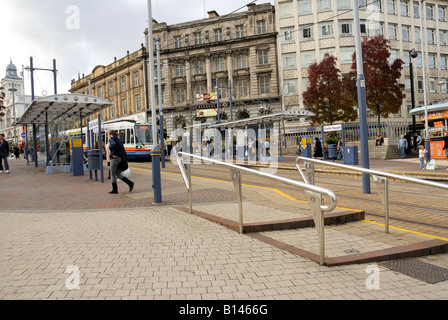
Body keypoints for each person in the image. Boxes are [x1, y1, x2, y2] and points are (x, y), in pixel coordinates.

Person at [108, 130, 135, 194]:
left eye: (108, 134)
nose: (108, 135)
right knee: (118, 174)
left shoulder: (112, 139)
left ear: (111, 134)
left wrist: (113, 154)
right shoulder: (118, 140)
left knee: (112, 174)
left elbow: (113, 145)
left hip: (115, 159)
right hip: (120, 158)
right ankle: (130, 183)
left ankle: (115, 189)